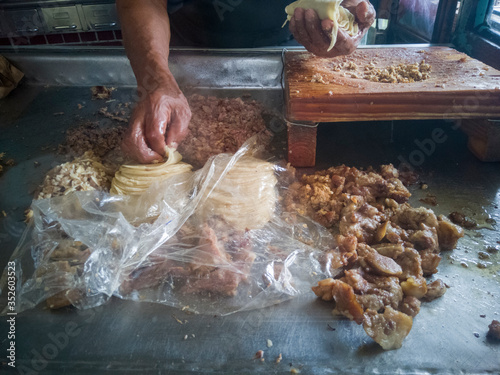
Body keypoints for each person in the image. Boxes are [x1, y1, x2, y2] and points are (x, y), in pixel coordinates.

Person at [116, 0, 375, 163]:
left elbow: (351, 5)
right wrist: (156, 80)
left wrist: (345, 16)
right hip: (185, 49)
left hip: (293, 44)